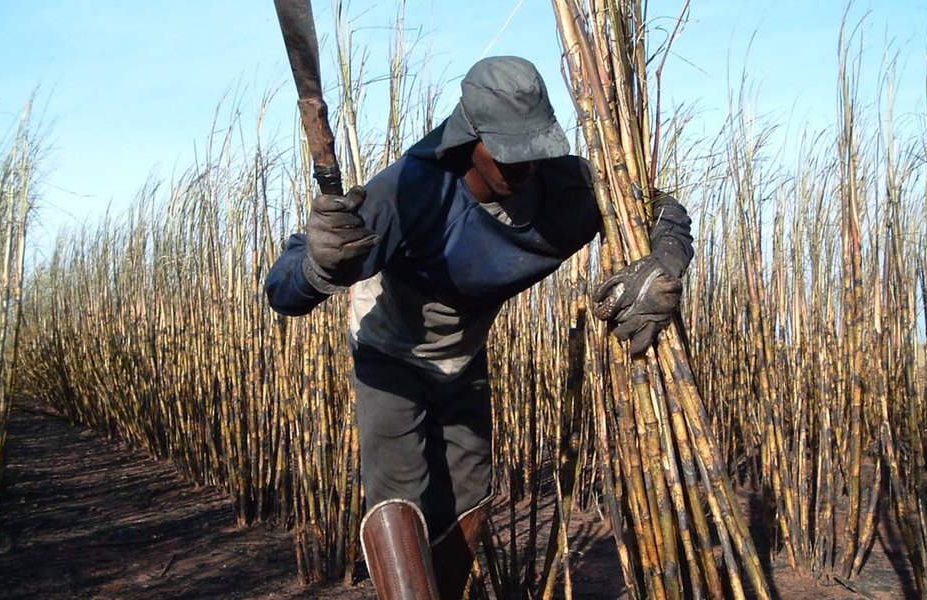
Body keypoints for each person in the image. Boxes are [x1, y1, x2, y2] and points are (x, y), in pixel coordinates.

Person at [265, 56, 693, 600]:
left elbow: (657, 207)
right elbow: (283, 290)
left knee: (470, 496)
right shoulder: (411, 191)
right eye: (509, 153)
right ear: (469, 138)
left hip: (463, 351)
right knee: (400, 496)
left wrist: (665, 263)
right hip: (388, 347)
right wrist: (318, 264)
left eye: (536, 151)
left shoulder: (570, 191)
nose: (525, 168)